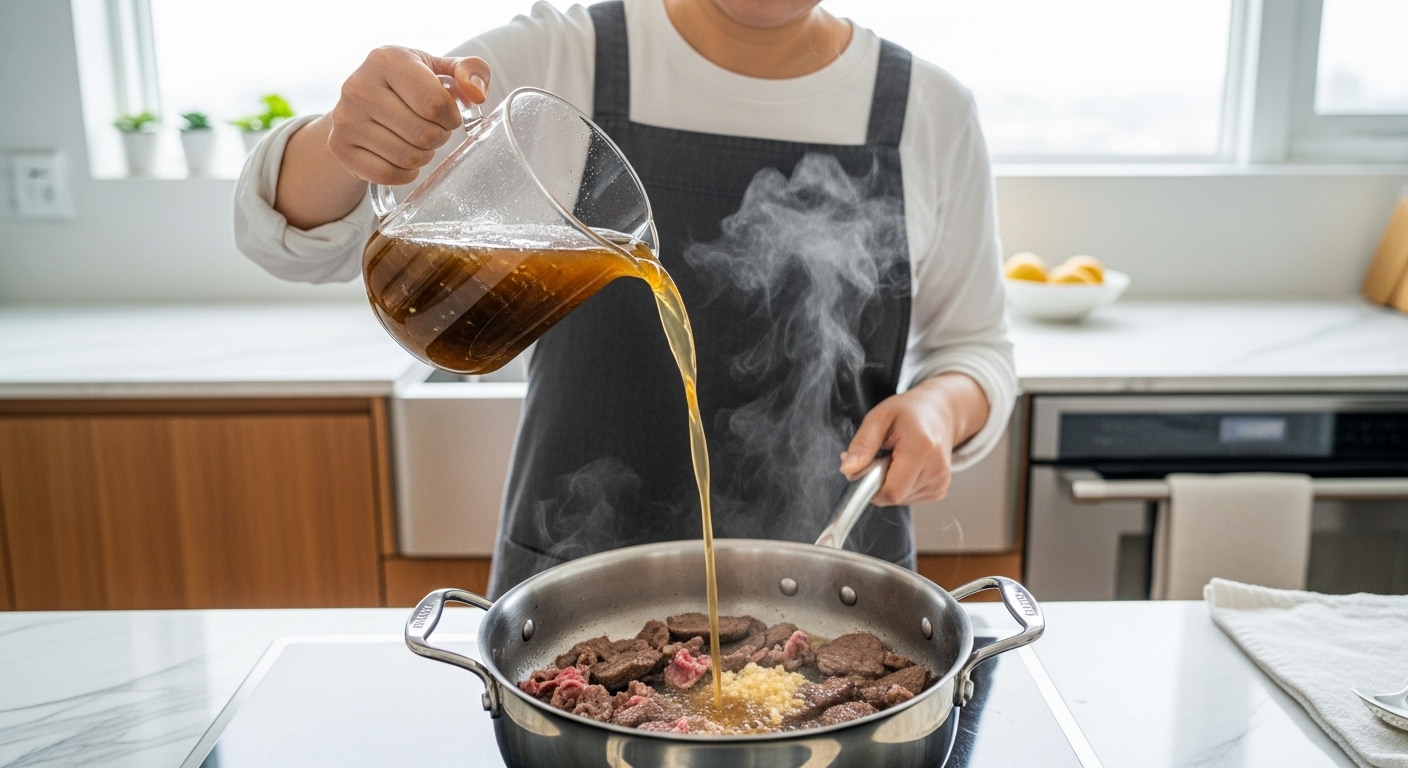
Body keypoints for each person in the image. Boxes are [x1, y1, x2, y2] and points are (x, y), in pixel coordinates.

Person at [234, 0, 1016, 598]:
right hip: (579, 591)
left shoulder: (930, 111)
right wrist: (351, 134)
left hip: (834, 584)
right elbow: (297, 242)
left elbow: (976, 349)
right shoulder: (563, 57)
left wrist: (942, 409)